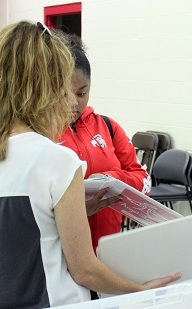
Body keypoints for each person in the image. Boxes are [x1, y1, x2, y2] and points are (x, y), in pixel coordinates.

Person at [0, 21, 180, 308]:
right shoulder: (55, 160)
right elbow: (85, 270)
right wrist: (138, 289)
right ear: (45, 87)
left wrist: (45, 225)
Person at [59, 33, 151, 253]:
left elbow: (144, 181)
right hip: (62, 255)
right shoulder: (40, 133)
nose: (74, 103)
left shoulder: (108, 127)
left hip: (108, 249)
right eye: (63, 94)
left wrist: (113, 178)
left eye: (82, 93)